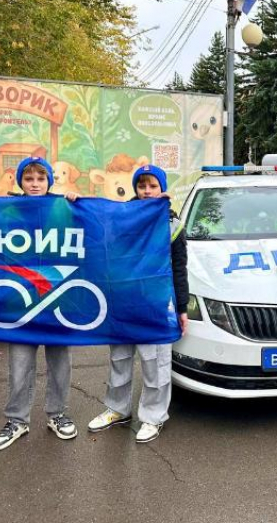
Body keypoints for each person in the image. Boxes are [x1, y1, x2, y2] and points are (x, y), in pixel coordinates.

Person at [88, 164, 189, 443]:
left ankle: (153, 417)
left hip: (156, 306)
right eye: (142, 186)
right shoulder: (121, 218)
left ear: (162, 189)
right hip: (123, 303)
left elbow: (179, 269)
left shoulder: (172, 224)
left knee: (155, 363)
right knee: (119, 359)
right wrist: (75, 204)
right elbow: (97, 236)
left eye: (152, 186)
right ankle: (117, 409)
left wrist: (182, 308)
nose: (146, 191)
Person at [0, 157, 80, 451]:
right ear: (21, 182)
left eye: (41, 179)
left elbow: (93, 229)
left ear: (49, 181)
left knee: (60, 363)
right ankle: (17, 420)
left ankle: (58, 414)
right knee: (19, 364)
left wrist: (78, 203)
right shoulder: (9, 211)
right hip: (21, 301)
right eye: (29, 179)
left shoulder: (62, 207)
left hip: (56, 297)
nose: (35, 184)